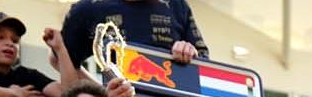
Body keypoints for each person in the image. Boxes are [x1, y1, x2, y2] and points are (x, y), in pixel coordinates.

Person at [61, 0, 208, 70]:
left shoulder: (177, 5)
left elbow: (204, 62)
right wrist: (93, 94)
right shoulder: (87, 9)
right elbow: (61, 61)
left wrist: (189, 51)